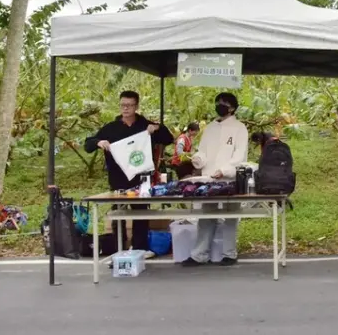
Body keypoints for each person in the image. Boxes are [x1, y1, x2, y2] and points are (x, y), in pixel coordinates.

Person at [84, 90, 174, 257]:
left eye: (130, 105)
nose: (125, 109)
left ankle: (140, 247)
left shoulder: (144, 125)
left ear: (136, 106)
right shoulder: (110, 128)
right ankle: (119, 247)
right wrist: (99, 142)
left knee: (141, 212)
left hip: (141, 178)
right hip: (118, 178)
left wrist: (156, 128)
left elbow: (168, 138)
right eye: (123, 105)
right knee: (119, 212)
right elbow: (88, 144)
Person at [182, 93, 249, 267]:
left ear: (233, 107)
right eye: (218, 102)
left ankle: (229, 253)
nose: (220, 105)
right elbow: (203, 151)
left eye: (224, 103)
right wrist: (197, 159)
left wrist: (225, 170)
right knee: (206, 216)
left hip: (229, 179)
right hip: (209, 179)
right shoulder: (210, 128)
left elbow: (239, 155)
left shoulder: (239, 128)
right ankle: (199, 254)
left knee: (230, 217)